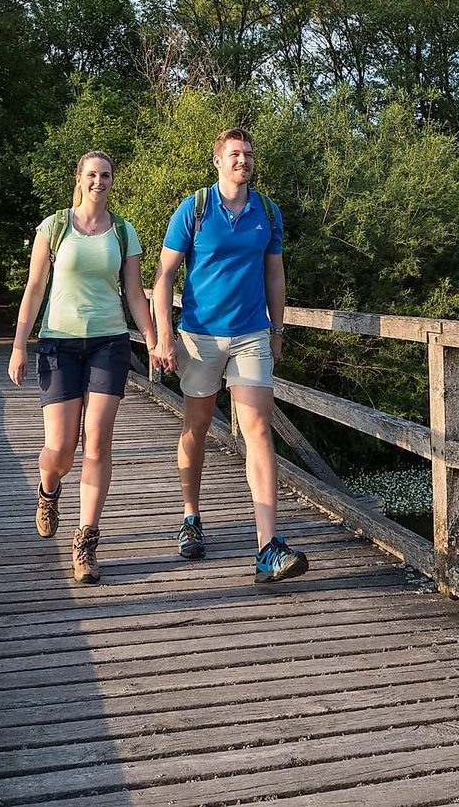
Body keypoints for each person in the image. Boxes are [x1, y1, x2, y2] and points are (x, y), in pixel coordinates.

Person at [150, 127, 308, 583]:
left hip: (251, 334)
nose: (244, 160)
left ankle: (267, 549)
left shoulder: (267, 211)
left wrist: (277, 330)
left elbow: (274, 276)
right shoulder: (195, 207)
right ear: (218, 161)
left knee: (258, 428)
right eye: (235, 154)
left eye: (249, 154)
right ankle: (191, 516)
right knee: (196, 427)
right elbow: (163, 278)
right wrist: (163, 336)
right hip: (200, 336)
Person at [9, 150, 155, 584]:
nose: (99, 181)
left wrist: (152, 338)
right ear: (79, 178)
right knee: (61, 448)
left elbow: (134, 294)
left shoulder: (124, 233)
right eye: (91, 174)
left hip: (109, 343)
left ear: (113, 181)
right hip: (58, 344)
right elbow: (35, 288)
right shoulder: (54, 227)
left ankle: (86, 540)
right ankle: (48, 489)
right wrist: (19, 345)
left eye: (106, 175)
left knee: (97, 442)